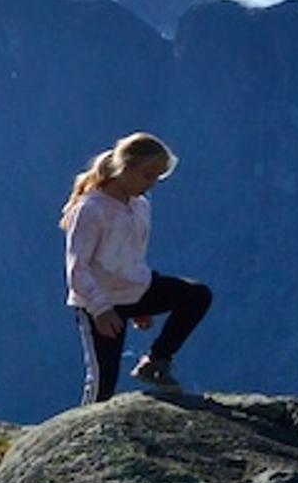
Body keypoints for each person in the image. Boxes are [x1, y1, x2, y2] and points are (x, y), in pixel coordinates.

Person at [64, 132, 213, 403]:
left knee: (197, 295)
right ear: (126, 167)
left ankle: (156, 361)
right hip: (100, 304)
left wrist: (140, 297)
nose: (152, 183)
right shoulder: (91, 210)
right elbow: (77, 269)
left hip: (134, 291)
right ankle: (83, 435)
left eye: (158, 176)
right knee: (102, 384)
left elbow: (133, 255)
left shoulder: (140, 206)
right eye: (148, 175)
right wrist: (100, 309)